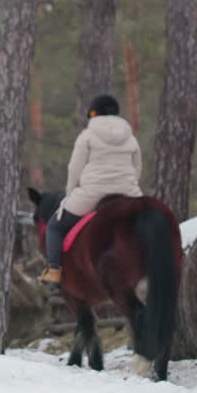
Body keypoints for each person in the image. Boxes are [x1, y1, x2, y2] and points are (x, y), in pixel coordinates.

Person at [39, 95, 143, 290]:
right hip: (129, 195)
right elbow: (137, 168)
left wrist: (70, 194)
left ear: (93, 113)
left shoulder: (87, 136)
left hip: (92, 195)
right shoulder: (130, 137)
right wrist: (128, 186)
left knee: (54, 227)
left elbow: (74, 169)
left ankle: (54, 272)